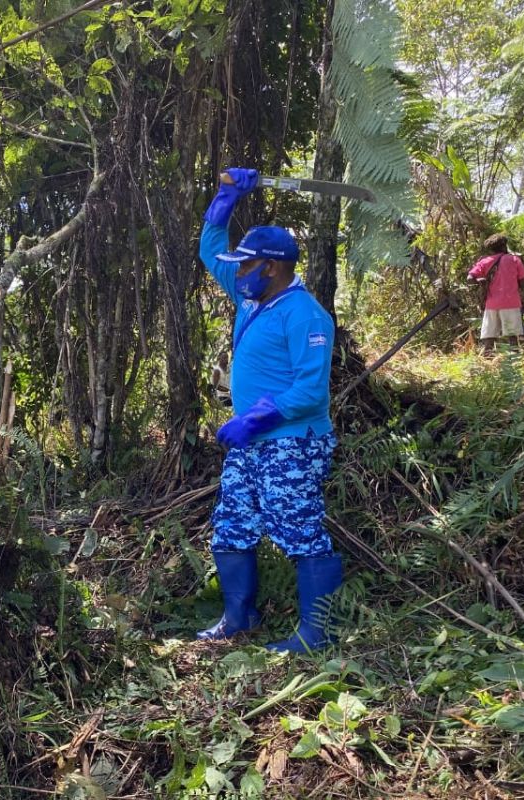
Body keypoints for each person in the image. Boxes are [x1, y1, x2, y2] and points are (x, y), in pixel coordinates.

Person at [196, 167, 341, 653]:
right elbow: (207, 248)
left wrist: (255, 418)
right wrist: (227, 197)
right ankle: (239, 615)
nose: (236, 274)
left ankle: (315, 633)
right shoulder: (250, 299)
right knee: (232, 526)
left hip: (293, 444)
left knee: (302, 533)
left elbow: (311, 392)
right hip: (251, 445)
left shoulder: (306, 315)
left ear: (272, 268)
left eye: (245, 266)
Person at [468, 233, 524, 353]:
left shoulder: (485, 261)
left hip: (492, 303)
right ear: (505, 245)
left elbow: (469, 278)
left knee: (489, 336)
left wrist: (479, 280)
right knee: (512, 336)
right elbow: (523, 280)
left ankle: (487, 358)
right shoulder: (514, 259)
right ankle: (513, 361)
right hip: (511, 302)